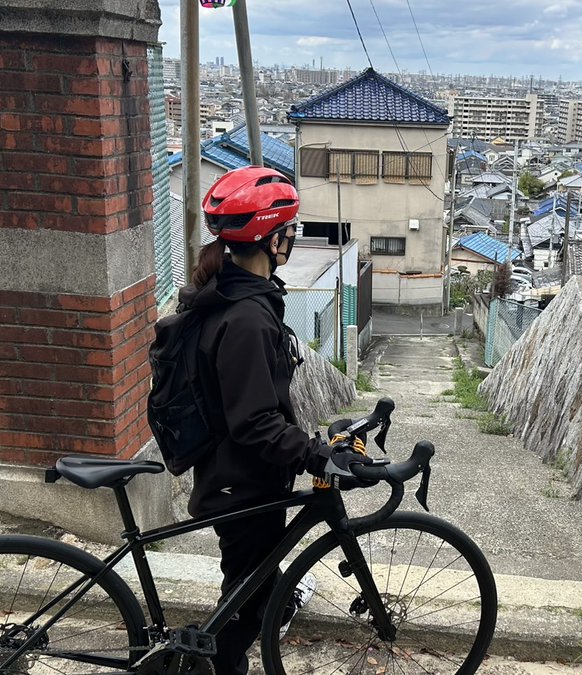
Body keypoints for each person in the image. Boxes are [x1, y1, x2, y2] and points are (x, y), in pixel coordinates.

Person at [178, 166, 368, 674]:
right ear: (273, 238)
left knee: (251, 591)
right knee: (244, 608)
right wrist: (317, 455)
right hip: (241, 485)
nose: (294, 240)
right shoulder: (245, 318)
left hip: (239, 478)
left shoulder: (238, 297)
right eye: (292, 230)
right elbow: (255, 422)